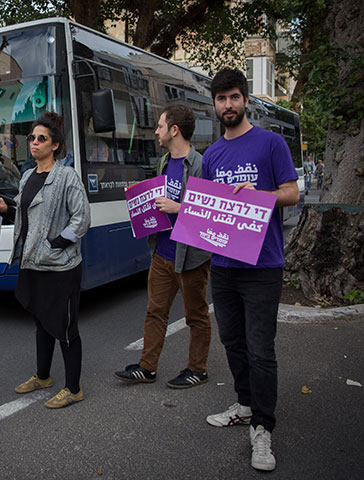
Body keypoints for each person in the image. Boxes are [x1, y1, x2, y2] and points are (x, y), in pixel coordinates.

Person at [201, 68, 299, 472]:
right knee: (233, 342)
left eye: (235, 97)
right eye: (222, 99)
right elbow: (206, 210)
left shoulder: (271, 144)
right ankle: (244, 403)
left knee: (262, 350)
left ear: (246, 100)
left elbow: (292, 193)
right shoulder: (211, 156)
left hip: (262, 266)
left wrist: (262, 197)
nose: (229, 105)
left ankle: (263, 427)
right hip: (223, 268)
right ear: (215, 104)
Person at [0, 112, 91, 409]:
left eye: (41, 139)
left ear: (56, 145)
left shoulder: (66, 177)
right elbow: (26, 215)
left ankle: (73, 388)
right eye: (32, 138)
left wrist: (56, 243)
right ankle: (43, 376)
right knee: (42, 322)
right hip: (32, 262)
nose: (34, 142)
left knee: (65, 327)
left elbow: (82, 218)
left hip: (60, 266)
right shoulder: (27, 176)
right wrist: (6, 208)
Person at [114, 105, 211, 388]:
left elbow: (209, 212)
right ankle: (147, 367)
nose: (156, 131)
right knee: (155, 311)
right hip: (162, 252)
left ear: (174, 130)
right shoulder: (163, 163)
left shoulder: (201, 165)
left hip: (191, 256)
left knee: (196, 315)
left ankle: (198, 369)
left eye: (159, 126)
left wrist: (178, 207)